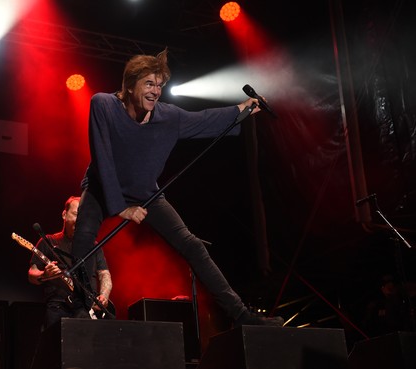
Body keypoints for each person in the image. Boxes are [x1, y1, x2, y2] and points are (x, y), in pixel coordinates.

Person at [65, 48, 283, 328]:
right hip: (101, 188)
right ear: (130, 85)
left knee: (193, 246)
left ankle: (242, 316)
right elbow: (102, 157)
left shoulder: (168, 117)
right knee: (83, 236)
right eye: (148, 84)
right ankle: (81, 310)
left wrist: (243, 109)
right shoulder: (103, 105)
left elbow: (205, 119)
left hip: (147, 194)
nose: (155, 91)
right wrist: (121, 208)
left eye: (159, 85)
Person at [28, 196, 113, 328]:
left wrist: (104, 296)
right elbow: (31, 274)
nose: (80, 220)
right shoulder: (49, 242)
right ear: (64, 214)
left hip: (86, 308)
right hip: (58, 307)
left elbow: (104, 273)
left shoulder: (93, 246)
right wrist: (44, 274)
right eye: (76, 214)